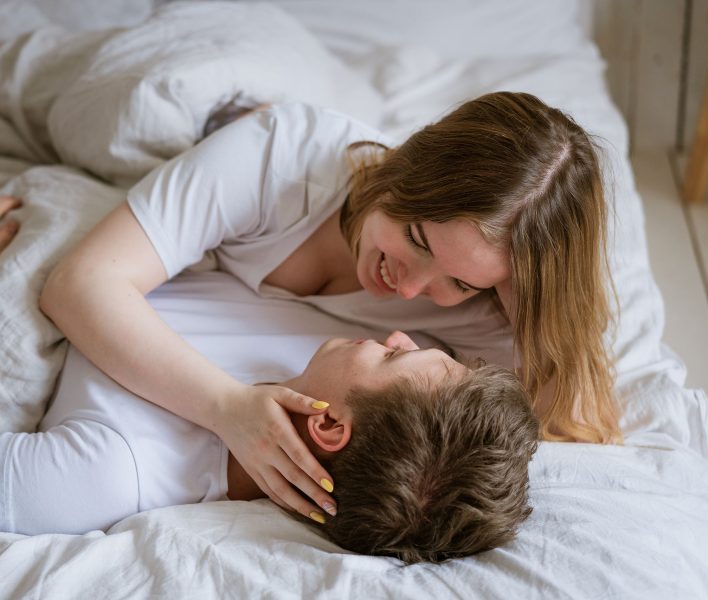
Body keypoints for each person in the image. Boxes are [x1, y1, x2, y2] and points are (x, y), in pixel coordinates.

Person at [0, 199, 539, 564]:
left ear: (327, 427)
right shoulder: (325, 359)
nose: (399, 332)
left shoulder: (109, 476)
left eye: (393, 358)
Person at [38, 91, 620, 523]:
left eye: (460, 282)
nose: (411, 290)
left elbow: (573, 417)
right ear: (408, 165)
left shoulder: (485, 311)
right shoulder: (284, 159)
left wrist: (533, 306)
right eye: (416, 240)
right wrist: (227, 407)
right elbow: (81, 284)